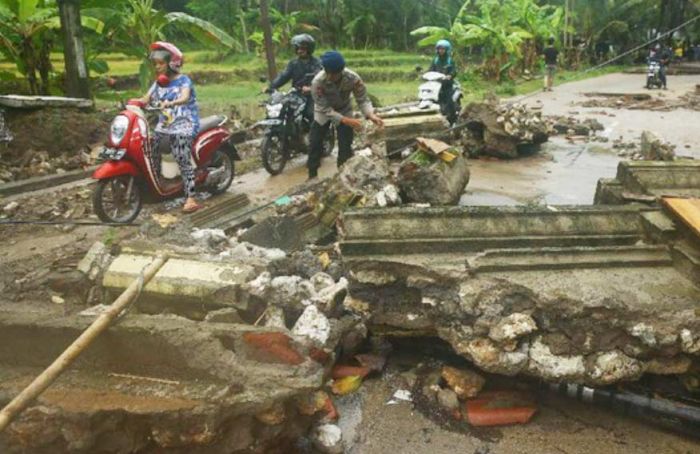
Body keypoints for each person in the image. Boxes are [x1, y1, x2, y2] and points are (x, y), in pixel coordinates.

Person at [138, 41, 201, 213]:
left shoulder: (183, 80)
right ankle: (159, 187)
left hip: (184, 123)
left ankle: (191, 197)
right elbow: (146, 98)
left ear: (172, 63)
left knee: (181, 155)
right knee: (151, 150)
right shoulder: (158, 82)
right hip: (165, 125)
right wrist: (135, 102)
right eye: (155, 64)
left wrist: (172, 102)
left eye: (161, 63)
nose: (157, 67)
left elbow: (185, 97)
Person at [308, 50, 384, 180]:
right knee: (315, 141)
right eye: (328, 72)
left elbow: (362, 99)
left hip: (344, 108)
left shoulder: (353, 79)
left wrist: (371, 114)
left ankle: (341, 174)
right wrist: (347, 120)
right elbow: (324, 108)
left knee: (345, 143)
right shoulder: (317, 82)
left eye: (334, 74)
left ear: (341, 70)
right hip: (324, 111)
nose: (330, 77)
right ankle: (312, 174)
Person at [265, 34, 322, 125]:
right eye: (298, 48)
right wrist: (271, 86)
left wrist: (310, 88)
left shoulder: (317, 63)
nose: (300, 51)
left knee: (310, 113)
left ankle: (314, 136)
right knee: (284, 110)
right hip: (296, 94)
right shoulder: (293, 63)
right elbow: (284, 76)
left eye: (303, 49)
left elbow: (320, 78)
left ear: (309, 49)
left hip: (312, 94)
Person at [429, 39, 458, 124]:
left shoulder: (450, 60)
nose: (441, 51)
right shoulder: (435, 60)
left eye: (443, 49)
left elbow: (454, 71)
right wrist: (425, 74)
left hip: (447, 85)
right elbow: (430, 70)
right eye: (439, 49)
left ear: (447, 50)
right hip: (436, 85)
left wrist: (450, 76)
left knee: (450, 101)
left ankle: (453, 120)